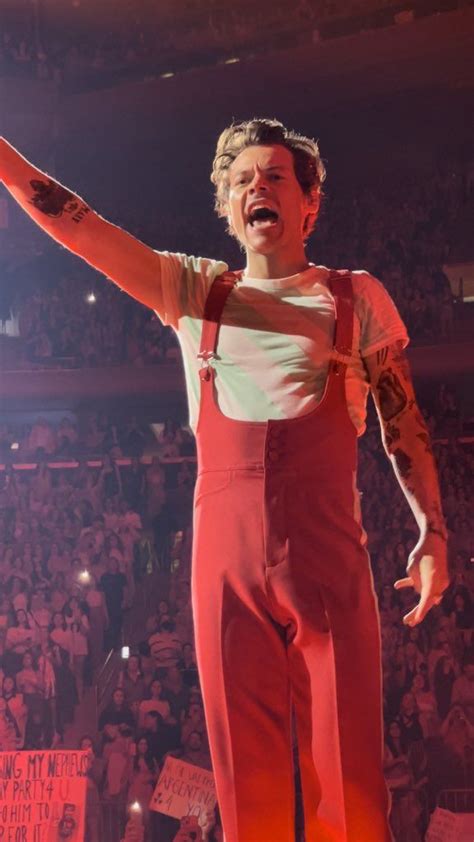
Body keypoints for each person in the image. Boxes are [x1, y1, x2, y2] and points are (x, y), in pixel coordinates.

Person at [0, 120, 450, 842]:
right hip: (224, 564)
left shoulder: (355, 296)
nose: (257, 187)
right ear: (226, 205)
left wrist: (432, 529)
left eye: (275, 175)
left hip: (328, 552)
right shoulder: (193, 290)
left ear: (310, 204)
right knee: (249, 786)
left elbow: (403, 422)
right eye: (242, 179)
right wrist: (4, 159)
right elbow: (80, 228)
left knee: (352, 783)